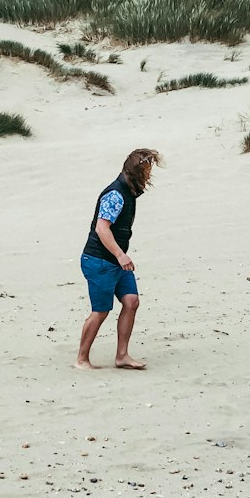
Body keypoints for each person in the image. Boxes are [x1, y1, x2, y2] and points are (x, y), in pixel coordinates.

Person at [76, 148, 163, 370]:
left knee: (131, 301)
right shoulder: (115, 194)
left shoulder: (129, 191)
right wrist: (120, 254)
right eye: (146, 171)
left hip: (116, 261)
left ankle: (122, 356)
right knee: (101, 311)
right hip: (99, 261)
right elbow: (102, 229)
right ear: (135, 172)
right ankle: (82, 359)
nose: (148, 175)